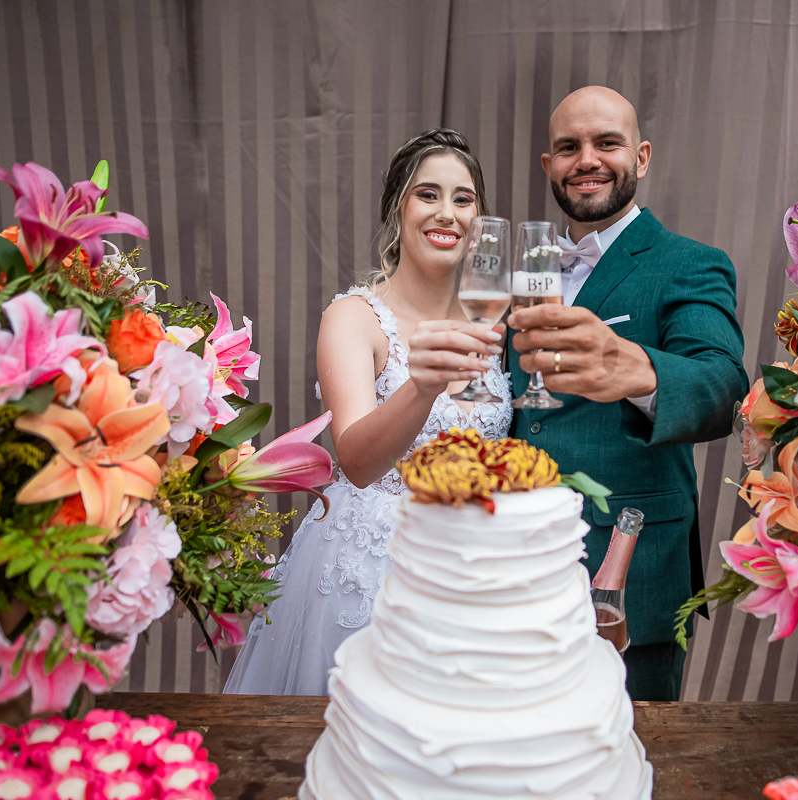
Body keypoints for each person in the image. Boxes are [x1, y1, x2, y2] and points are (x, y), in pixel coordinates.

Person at [225, 129, 511, 696]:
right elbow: (354, 460)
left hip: (479, 564)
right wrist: (424, 384)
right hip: (375, 565)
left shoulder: (492, 320)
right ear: (397, 209)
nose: (447, 213)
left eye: (463, 199)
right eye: (427, 194)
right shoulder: (355, 318)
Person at [508, 86, 748, 701]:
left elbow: (724, 388)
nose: (587, 159)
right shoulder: (526, 273)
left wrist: (633, 368)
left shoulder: (690, 263)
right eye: (569, 147)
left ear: (640, 157)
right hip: (512, 570)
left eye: (607, 143)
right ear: (549, 165)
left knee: (631, 747)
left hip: (629, 575)